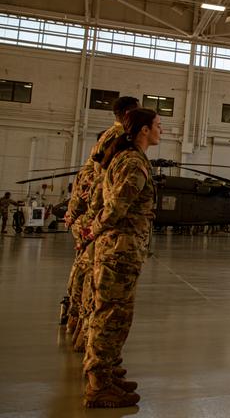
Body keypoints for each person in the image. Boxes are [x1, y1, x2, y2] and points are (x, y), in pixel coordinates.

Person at [82, 107, 161, 408]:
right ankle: (98, 384)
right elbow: (116, 207)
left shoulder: (129, 158)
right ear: (143, 130)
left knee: (117, 315)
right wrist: (93, 230)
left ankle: (108, 372)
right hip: (120, 250)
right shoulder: (132, 162)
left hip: (123, 250)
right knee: (110, 315)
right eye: (157, 125)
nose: (160, 130)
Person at [67, 98, 140, 351]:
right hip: (103, 222)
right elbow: (100, 182)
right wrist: (93, 222)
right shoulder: (121, 136)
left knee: (89, 278)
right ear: (130, 113)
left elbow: (88, 177)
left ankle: (80, 331)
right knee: (104, 293)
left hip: (93, 216)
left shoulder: (109, 136)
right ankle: (93, 354)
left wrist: (76, 212)